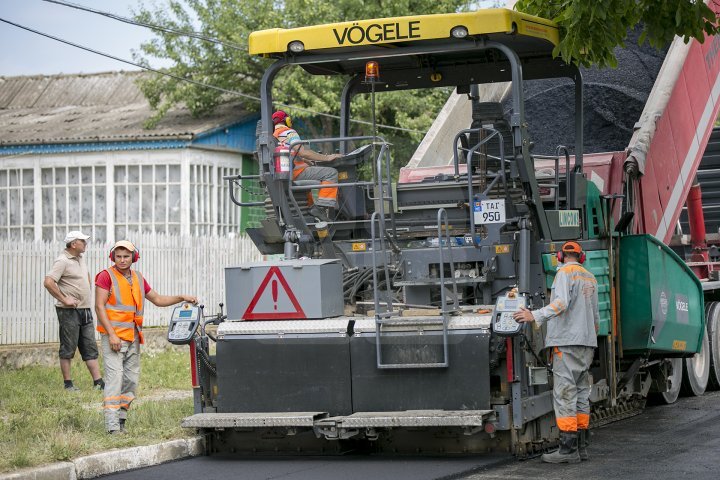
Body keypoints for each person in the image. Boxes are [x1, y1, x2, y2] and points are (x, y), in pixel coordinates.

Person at [95, 240, 197, 435]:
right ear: (113, 257)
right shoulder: (105, 277)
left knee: (131, 380)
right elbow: (99, 307)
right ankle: (112, 426)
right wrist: (112, 335)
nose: (122, 260)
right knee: (114, 379)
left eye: (126, 256)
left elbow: (158, 300)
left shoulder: (138, 278)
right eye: (118, 256)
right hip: (114, 338)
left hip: (133, 336)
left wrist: (181, 297)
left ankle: (122, 419)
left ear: (134, 257)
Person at [513, 240, 599, 464]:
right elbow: (596, 317)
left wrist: (535, 315)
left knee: (564, 395)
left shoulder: (564, 274)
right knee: (581, 394)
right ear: (581, 257)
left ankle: (567, 450)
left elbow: (560, 303)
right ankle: (582, 447)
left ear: (560, 257)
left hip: (567, 343)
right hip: (587, 344)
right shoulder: (590, 277)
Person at [43, 230, 104, 391]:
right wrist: (64, 299)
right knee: (68, 347)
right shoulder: (62, 260)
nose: (85, 243)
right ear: (73, 244)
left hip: (85, 309)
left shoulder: (80, 258)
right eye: (82, 241)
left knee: (90, 346)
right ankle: (68, 384)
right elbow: (48, 282)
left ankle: (98, 382)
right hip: (68, 311)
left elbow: (86, 277)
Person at [272, 110, 343, 221]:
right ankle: (321, 208)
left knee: (310, 179)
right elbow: (303, 152)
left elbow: (294, 154)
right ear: (287, 120)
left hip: (285, 174)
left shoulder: (273, 136)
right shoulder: (289, 132)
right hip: (295, 173)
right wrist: (328, 157)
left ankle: (310, 207)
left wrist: (305, 161)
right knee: (331, 173)